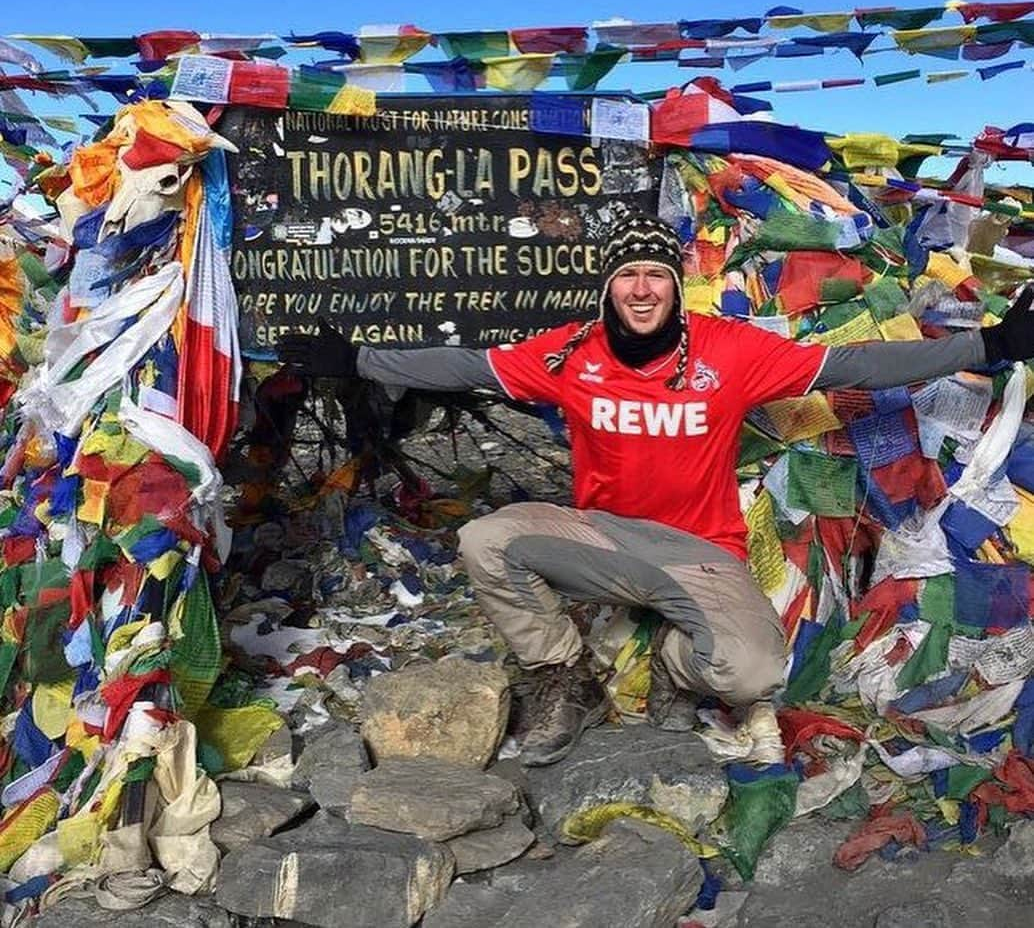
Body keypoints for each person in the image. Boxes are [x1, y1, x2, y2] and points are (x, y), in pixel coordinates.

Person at [280, 214, 1034, 768]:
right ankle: (562, 674)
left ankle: (674, 664)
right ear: (609, 286)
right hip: (601, 537)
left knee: (754, 672)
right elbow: (467, 364)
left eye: (655, 276)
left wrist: (987, 346)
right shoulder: (571, 350)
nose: (641, 290)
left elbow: (852, 367)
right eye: (626, 277)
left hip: (700, 551)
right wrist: (358, 360)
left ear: (673, 284)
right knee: (486, 537)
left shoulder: (729, 350)